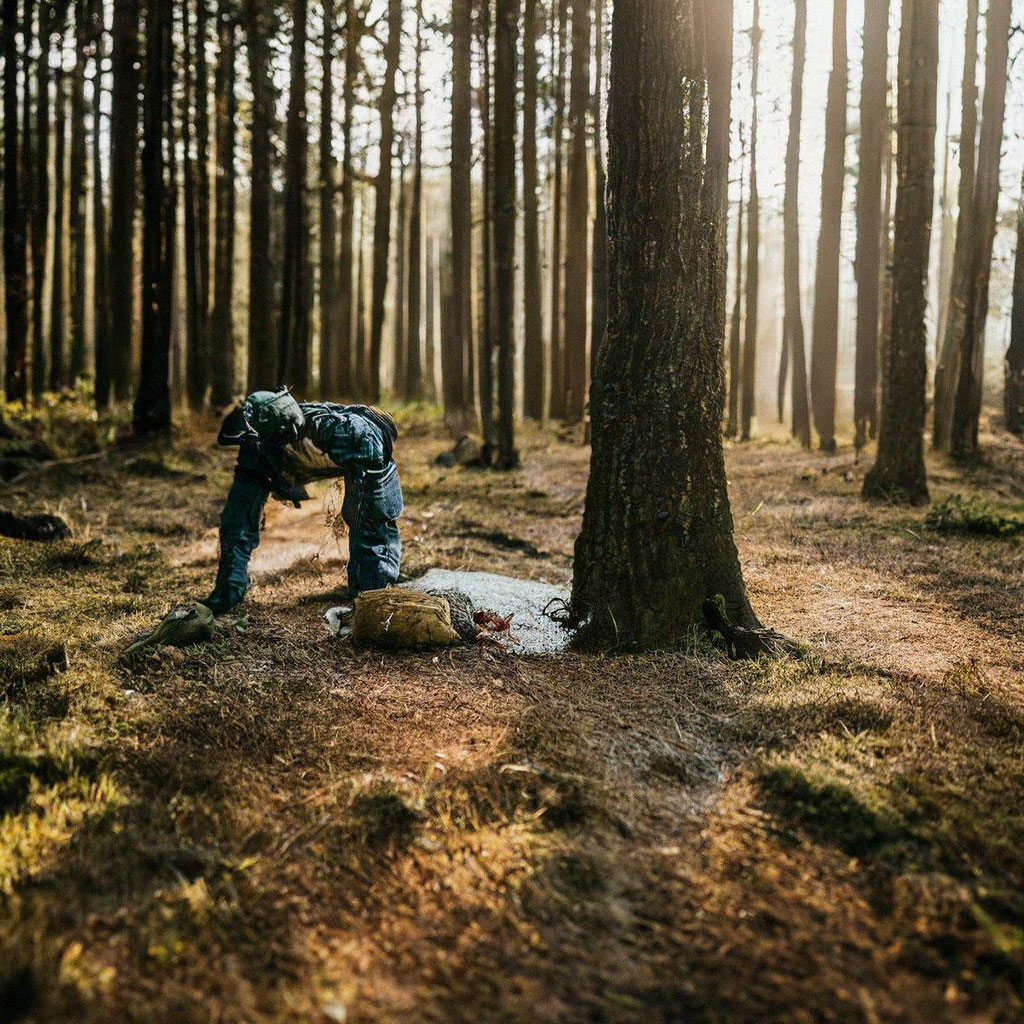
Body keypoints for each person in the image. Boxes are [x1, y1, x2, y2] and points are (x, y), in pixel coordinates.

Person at [203, 388, 402, 615]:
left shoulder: (349, 432)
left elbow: (375, 513)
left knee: (366, 515)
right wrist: (226, 591)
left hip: (366, 447)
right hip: (274, 453)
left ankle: (374, 593)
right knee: (236, 517)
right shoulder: (254, 443)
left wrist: (372, 589)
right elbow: (237, 518)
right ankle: (230, 589)